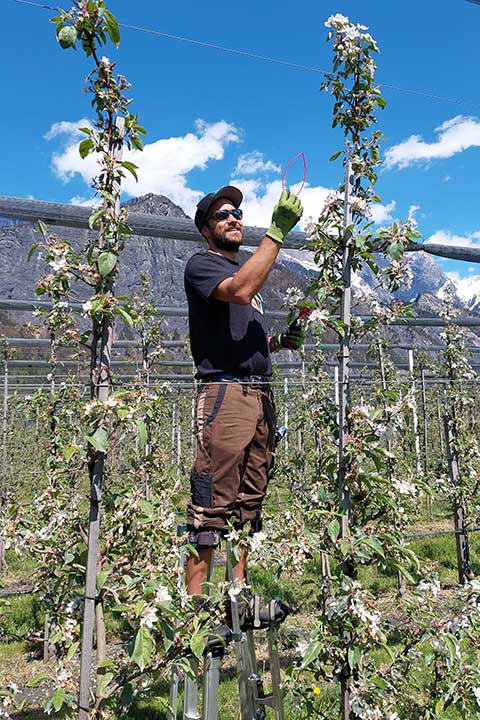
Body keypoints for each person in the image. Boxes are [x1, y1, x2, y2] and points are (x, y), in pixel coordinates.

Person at [184, 185, 304, 597]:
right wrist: (277, 232)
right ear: (205, 229)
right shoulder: (202, 266)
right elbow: (240, 290)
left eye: (237, 212)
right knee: (210, 505)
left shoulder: (246, 283)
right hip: (226, 394)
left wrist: (278, 343)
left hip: (260, 396)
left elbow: (241, 334)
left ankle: (238, 593)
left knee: (249, 502)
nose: (234, 218)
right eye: (222, 215)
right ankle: (194, 610)